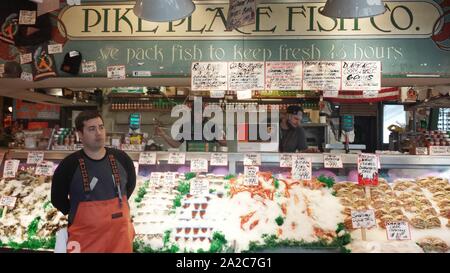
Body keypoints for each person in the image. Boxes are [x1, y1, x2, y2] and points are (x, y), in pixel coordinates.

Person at [51, 110, 136, 253]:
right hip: (85, 241)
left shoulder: (122, 159)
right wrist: (77, 213)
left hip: (120, 239)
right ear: (80, 134)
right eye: (92, 129)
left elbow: (130, 187)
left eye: (101, 127)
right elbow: (57, 199)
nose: (98, 133)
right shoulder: (69, 165)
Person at [155, 112, 226, 151]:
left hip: (209, 160)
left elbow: (224, 143)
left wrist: (221, 140)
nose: (199, 115)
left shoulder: (212, 126)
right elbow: (176, 145)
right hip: (191, 160)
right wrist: (163, 135)